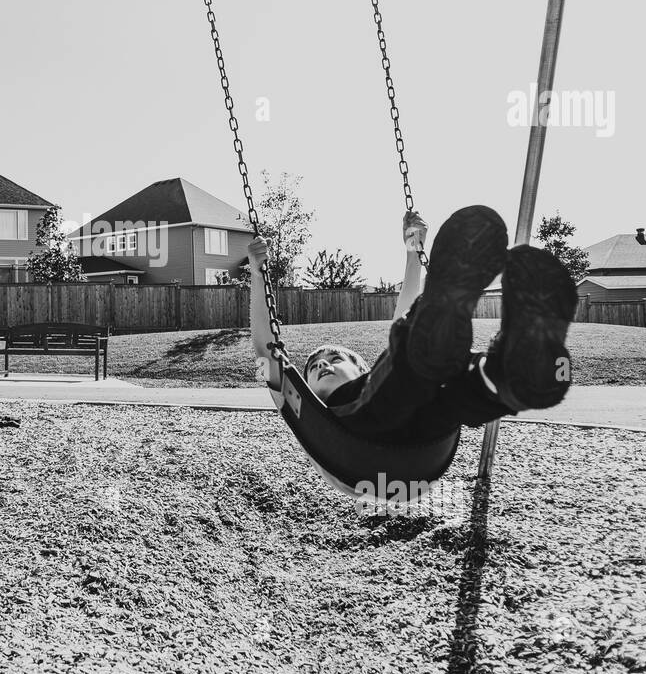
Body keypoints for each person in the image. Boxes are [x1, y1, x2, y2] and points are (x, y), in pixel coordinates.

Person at [248, 205, 579, 493]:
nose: (322, 364)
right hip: (358, 446)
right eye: (314, 366)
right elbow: (266, 351)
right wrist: (256, 271)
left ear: (364, 369)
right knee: (417, 375)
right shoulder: (311, 408)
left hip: (420, 443)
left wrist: (412, 253)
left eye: (334, 358)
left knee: (452, 394)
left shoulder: (375, 380)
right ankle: (445, 315)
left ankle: (506, 375)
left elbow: (402, 323)